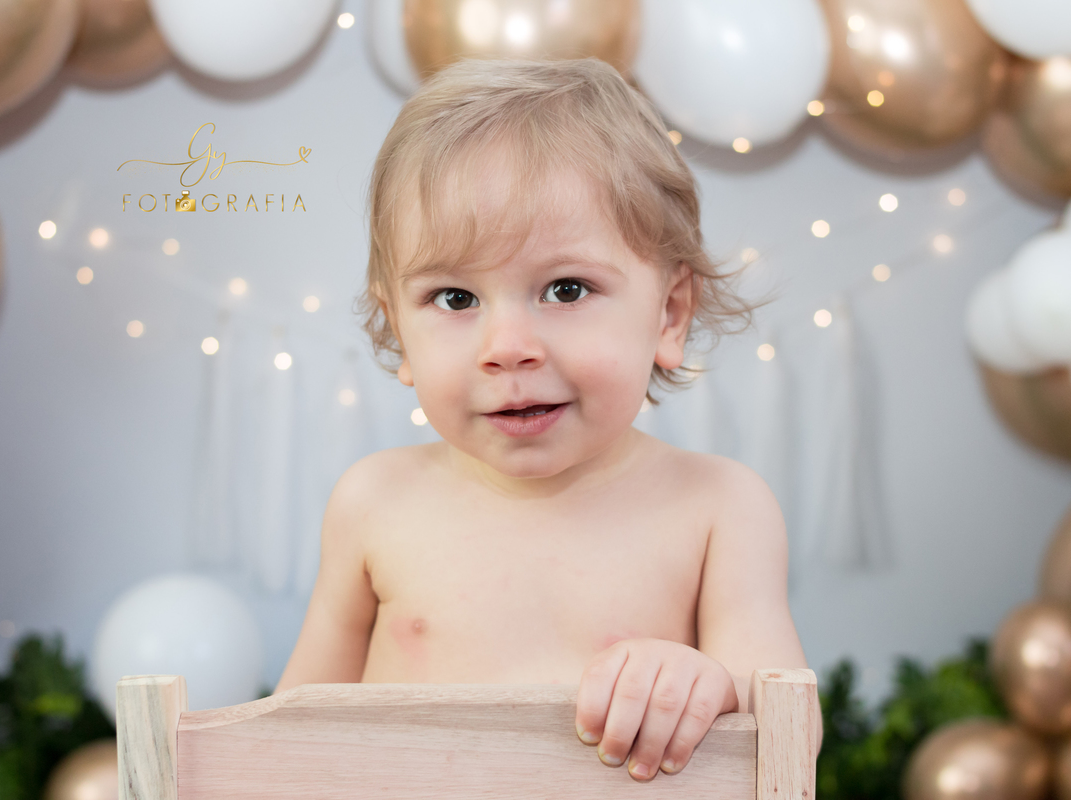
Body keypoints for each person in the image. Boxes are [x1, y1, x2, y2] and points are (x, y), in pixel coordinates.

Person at [276, 56, 812, 783]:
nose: (509, 350)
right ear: (396, 329)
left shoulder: (717, 508)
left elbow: (785, 745)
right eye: (455, 299)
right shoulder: (374, 503)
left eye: (566, 288)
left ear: (670, 313)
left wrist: (710, 689)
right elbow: (287, 742)